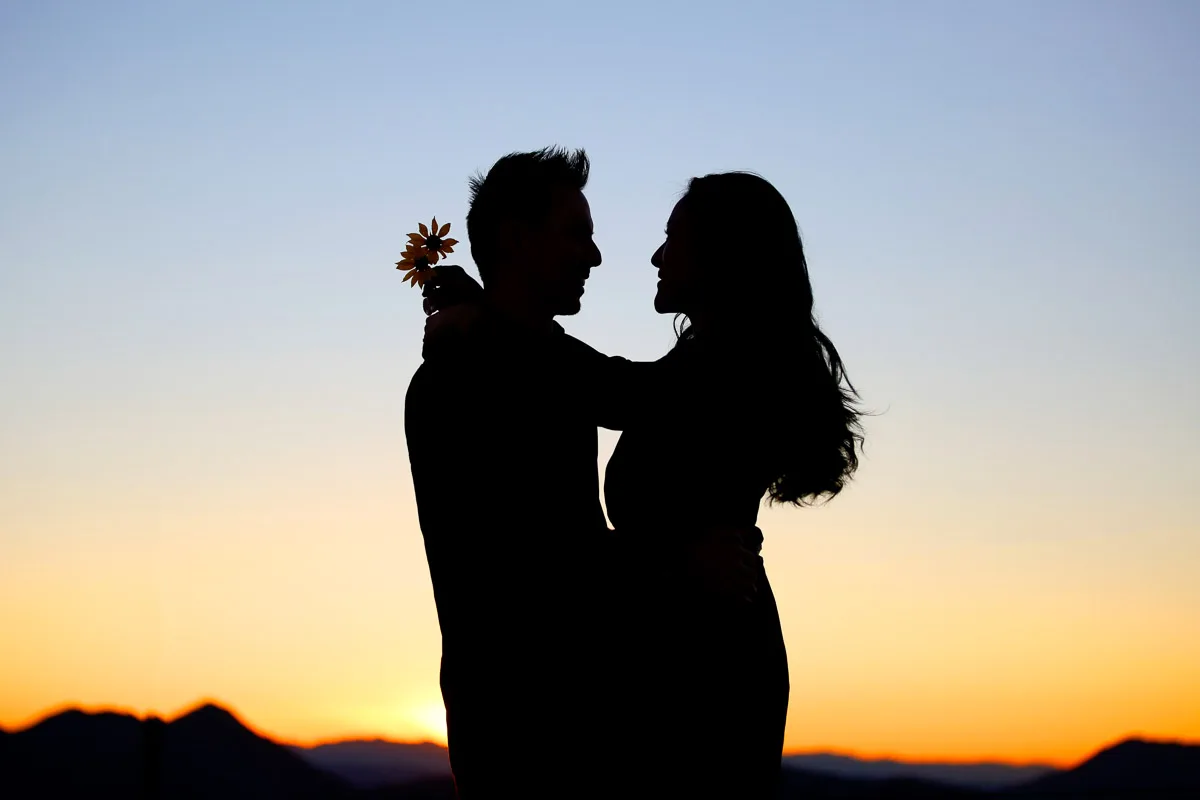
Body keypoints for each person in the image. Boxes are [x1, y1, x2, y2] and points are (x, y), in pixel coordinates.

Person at [422, 171, 863, 799]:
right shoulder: (703, 363)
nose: (653, 256)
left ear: (723, 255)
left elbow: (608, 389)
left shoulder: (735, 369)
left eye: (671, 239)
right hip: (668, 660)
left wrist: (489, 320)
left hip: (713, 662)